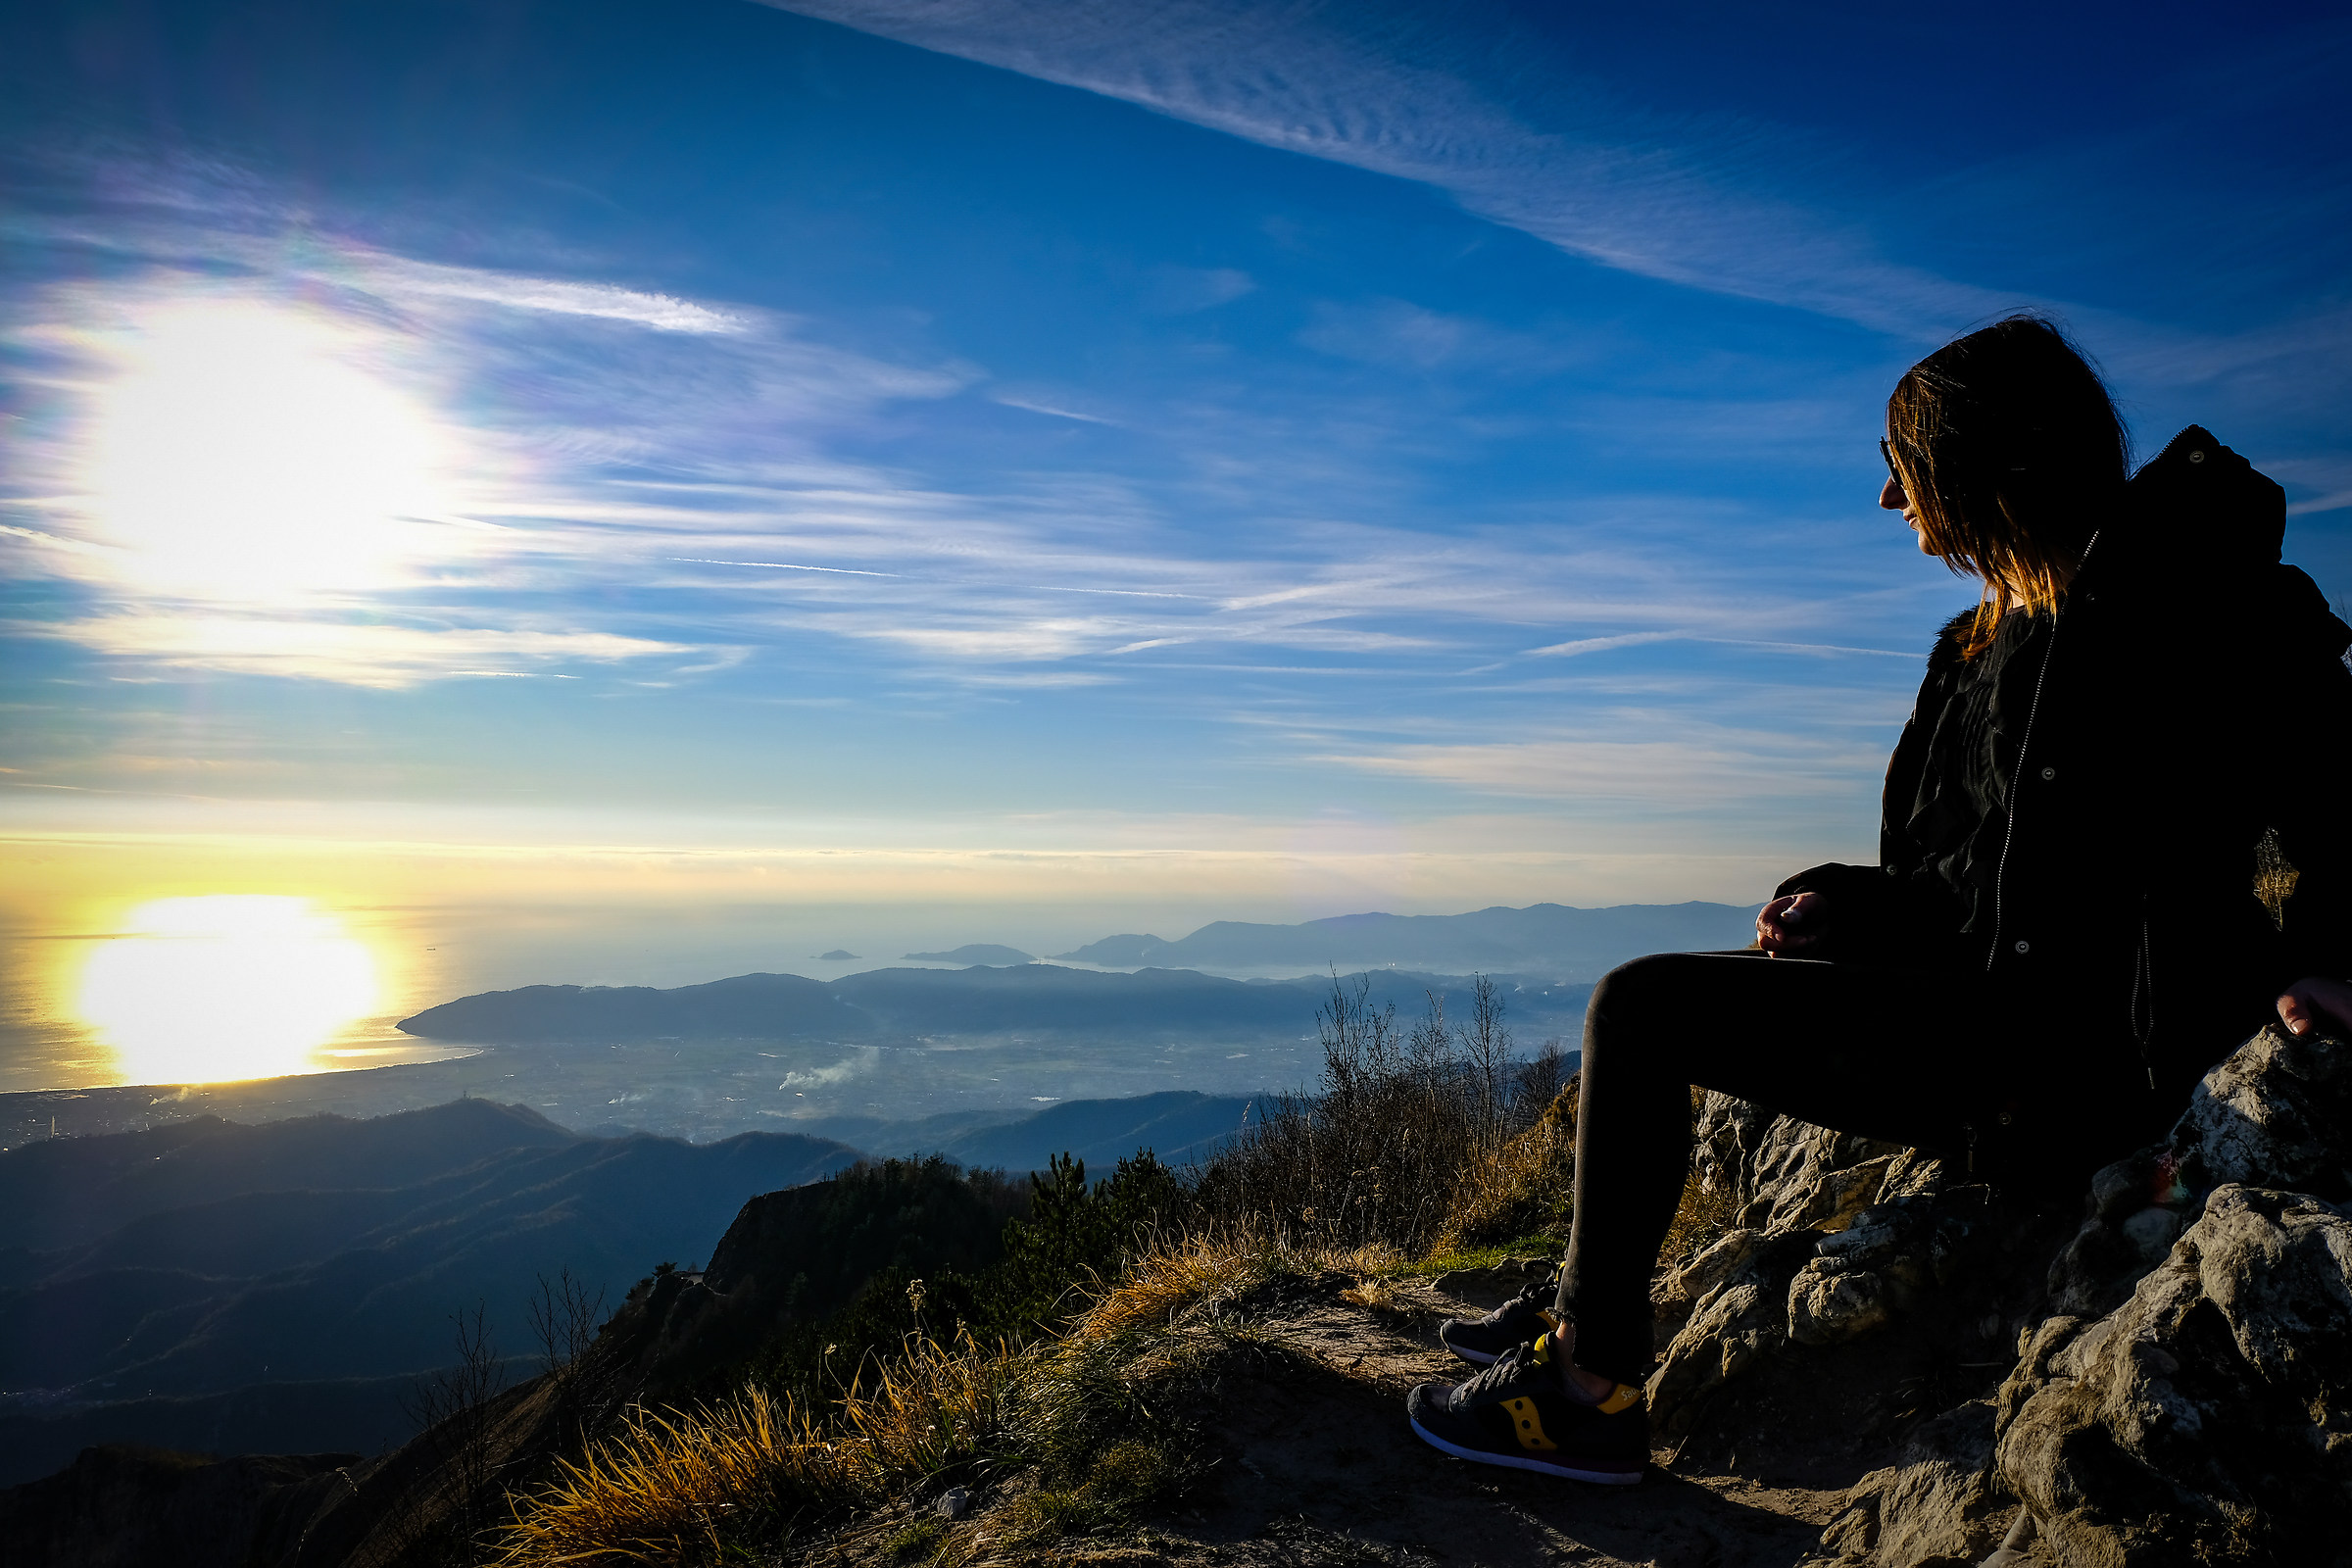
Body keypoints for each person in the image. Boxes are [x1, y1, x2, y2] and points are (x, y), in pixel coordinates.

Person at [1403, 315, 2352, 1485]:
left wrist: (2329, 957)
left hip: (2104, 1062)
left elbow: (2339, 793)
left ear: (1983, 461)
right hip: (1989, 1027)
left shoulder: (2209, 597)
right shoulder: (1980, 646)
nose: (1890, 499)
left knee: (1634, 1006)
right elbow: (1956, 879)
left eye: (1904, 465)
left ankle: (1586, 1391)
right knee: (1653, 1009)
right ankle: (1581, 1311)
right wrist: (1838, 903)